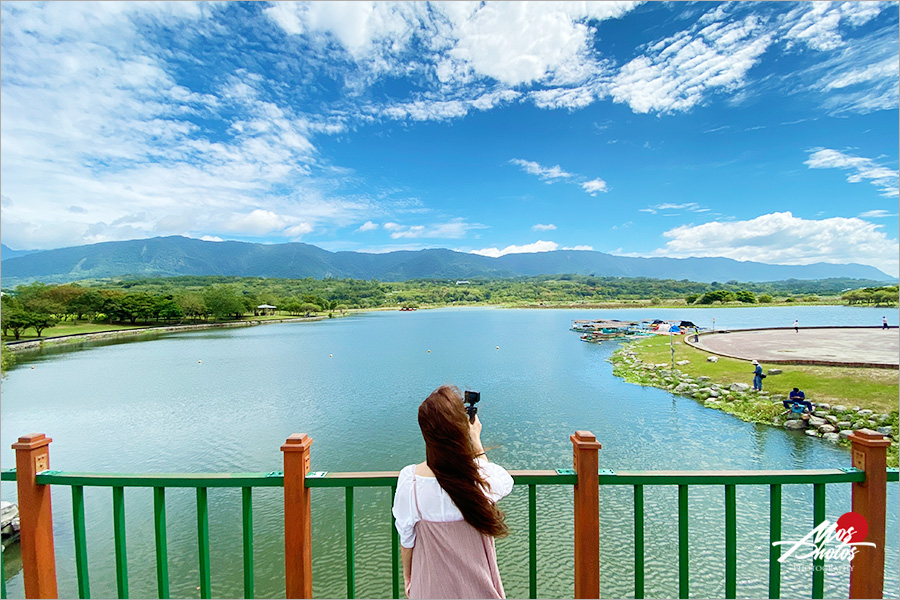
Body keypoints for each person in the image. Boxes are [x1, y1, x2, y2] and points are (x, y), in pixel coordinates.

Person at [392, 386, 513, 599]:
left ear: (425, 432)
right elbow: (502, 481)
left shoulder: (410, 481)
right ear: (460, 428)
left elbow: (407, 542)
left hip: (429, 590)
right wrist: (475, 440)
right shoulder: (478, 480)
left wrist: (408, 579)